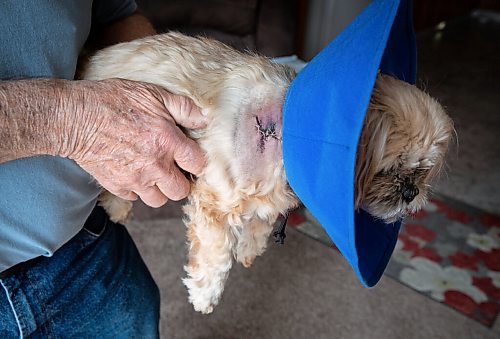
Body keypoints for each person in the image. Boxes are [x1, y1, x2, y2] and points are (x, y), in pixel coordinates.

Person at [0, 1, 206, 337]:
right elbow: (77, 122)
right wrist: (74, 122)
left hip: (86, 245)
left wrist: (168, 94)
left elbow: (118, 16)